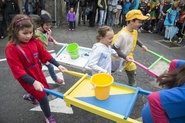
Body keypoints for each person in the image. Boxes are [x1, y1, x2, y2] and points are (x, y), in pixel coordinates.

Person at [5, 14, 67, 123]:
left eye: (30, 32)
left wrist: (58, 65)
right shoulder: (11, 48)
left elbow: (45, 54)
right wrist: (33, 82)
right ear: (15, 31)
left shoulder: (34, 41)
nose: (28, 36)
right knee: (43, 97)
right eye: (24, 33)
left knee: (45, 91)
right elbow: (17, 70)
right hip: (26, 77)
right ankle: (48, 116)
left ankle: (31, 96)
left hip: (37, 71)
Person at [111, 10, 148, 86]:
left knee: (132, 69)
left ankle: (132, 85)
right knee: (109, 70)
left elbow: (134, 39)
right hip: (117, 57)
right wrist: (125, 57)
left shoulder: (134, 31)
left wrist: (142, 45)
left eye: (141, 22)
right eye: (139, 22)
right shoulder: (122, 35)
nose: (140, 24)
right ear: (131, 21)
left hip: (128, 56)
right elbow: (114, 48)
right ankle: (101, 79)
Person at [35, 13, 64, 84]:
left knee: (49, 66)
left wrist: (52, 40)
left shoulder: (46, 31)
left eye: (50, 24)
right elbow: (42, 46)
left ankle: (54, 79)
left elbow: (47, 37)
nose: (49, 27)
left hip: (42, 53)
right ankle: (34, 86)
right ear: (41, 24)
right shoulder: (37, 34)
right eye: (47, 25)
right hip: (37, 55)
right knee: (38, 70)